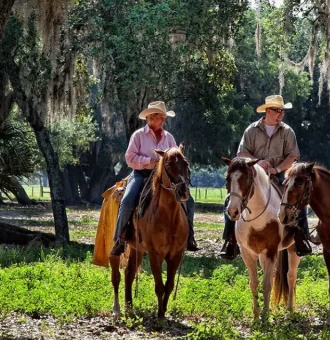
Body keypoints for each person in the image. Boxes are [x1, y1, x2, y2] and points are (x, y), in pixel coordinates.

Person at [220, 94, 313, 260]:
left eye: (282, 111)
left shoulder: (287, 131)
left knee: (297, 197)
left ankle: (301, 237)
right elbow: (242, 152)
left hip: (280, 172)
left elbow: (292, 156)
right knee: (230, 199)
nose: (281, 114)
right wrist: (258, 163)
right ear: (268, 111)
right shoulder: (251, 130)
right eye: (277, 111)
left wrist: (277, 169)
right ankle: (230, 240)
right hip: (254, 174)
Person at [111, 101, 198, 256]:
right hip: (141, 174)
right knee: (127, 201)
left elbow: (176, 157)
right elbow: (130, 158)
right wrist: (149, 161)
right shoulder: (138, 135)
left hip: (164, 178)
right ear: (150, 118)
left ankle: (189, 237)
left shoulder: (169, 138)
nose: (163, 120)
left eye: (164, 117)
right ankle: (121, 239)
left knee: (189, 201)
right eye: (160, 117)